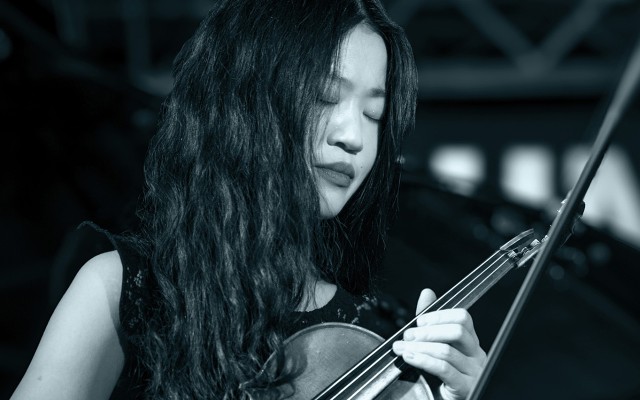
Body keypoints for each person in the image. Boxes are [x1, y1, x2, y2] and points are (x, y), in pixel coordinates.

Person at [11, 0, 487, 398]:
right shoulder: (126, 291)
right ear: (246, 103)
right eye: (325, 96)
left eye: (374, 114)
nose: (354, 138)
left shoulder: (375, 341)